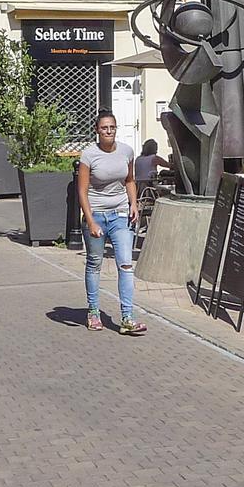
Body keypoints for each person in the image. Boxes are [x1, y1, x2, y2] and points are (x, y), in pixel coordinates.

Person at [77, 110, 146, 336]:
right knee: (94, 264)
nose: (109, 131)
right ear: (97, 130)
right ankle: (93, 312)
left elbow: (130, 180)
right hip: (96, 214)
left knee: (125, 265)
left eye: (112, 127)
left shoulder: (126, 152)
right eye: (104, 128)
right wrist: (90, 220)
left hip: (120, 215)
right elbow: (82, 190)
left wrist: (133, 203)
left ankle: (127, 317)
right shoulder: (89, 155)